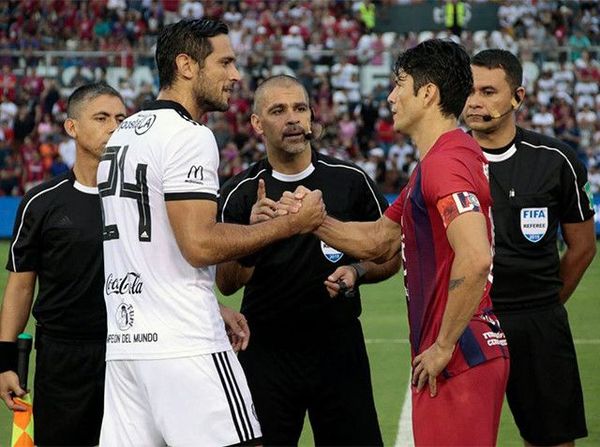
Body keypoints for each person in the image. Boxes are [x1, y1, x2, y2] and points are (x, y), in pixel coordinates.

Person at [96, 18, 325, 447]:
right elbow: (199, 244)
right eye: (225, 62)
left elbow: (147, 247)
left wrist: (214, 303)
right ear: (186, 65)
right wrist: (290, 224)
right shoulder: (190, 135)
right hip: (186, 346)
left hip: (127, 348)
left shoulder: (123, 135)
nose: (235, 75)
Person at [292, 39, 510, 445]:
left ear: (427, 94)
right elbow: (379, 240)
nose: (391, 95)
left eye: (400, 84)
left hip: (460, 352)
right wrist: (310, 220)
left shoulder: (445, 163)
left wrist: (443, 346)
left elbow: (476, 257)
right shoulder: (438, 162)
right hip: (463, 350)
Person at [217, 75, 400, 446]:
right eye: (278, 110)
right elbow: (227, 282)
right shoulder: (239, 192)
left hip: (338, 346)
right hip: (265, 350)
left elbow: (390, 256)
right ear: (256, 123)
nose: (293, 119)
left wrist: (357, 270)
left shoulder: (350, 180)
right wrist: (254, 234)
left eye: (300, 108)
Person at [464, 49, 596, 447]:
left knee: (552, 439)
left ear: (517, 97)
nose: (475, 101)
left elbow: (582, 247)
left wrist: (546, 301)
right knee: (461, 438)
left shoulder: (556, 159)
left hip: (539, 322)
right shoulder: (443, 160)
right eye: (470, 91)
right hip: (468, 320)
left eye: (489, 91)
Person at [0, 83, 126, 446]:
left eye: (120, 118)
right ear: (72, 128)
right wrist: (6, 360)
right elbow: (21, 286)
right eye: (101, 118)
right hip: (63, 357)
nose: (114, 127)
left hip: (128, 351)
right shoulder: (41, 203)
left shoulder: (139, 200)